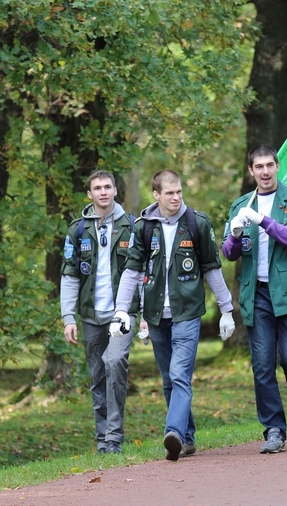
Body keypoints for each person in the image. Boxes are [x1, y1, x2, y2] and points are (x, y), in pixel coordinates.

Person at [111, 170, 235, 461]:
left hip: (187, 313)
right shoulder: (144, 227)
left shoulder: (197, 223)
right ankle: (188, 437)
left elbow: (212, 269)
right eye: (169, 193)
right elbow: (131, 272)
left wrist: (227, 309)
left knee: (180, 376)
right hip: (155, 315)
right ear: (156, 195)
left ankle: (174, 434)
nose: (176, 197)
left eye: (179, 192)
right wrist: (120, 310)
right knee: (168, 379)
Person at [222, 144, 287, 454]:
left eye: (269, 165)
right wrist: (234, 235)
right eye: (258, 167)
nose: (264, 171)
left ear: (278, 167)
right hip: (257, 294)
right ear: (251, 171)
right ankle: (274, 429)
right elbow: (229, 253)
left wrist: (262, 221)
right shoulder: (241, 204)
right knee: (262, 367)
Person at [60, 170, 139, 454]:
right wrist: (68, 317)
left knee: (114, 362)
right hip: (90, 315)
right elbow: (69, 274)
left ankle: (114, 438)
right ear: (90, 194)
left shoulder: (133, 226)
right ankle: (102, 439)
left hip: (124, 312)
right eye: (97, 188)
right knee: (97, 376)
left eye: (108, 187)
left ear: (116, 191)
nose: (103, 191)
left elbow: (145, 272)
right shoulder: (78, 230)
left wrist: (144, 315)